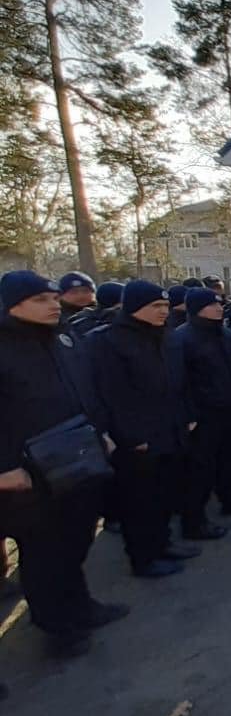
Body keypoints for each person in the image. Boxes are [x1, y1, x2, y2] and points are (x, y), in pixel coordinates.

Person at [0, 271, 128, 658]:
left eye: (54, 298)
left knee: (76, 537)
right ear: (11, 305)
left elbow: (85, 391)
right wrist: (4, 467)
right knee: (44, 549)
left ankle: (81, 605)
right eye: (40, 300)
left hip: (77, 456)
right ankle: (56, 625)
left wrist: (101, 432)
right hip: (29, 471)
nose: (53, 305)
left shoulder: (63, 338)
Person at [93, 281, 199, 577]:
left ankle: (163, 543)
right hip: (138, 437)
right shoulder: (110, 342)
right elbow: (112, 395)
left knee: (165, 493)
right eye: (155, 306)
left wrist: (187, 415)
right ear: (134, 307)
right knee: (139, 500)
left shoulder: (165, 336)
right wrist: (130, 437)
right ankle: (144, 557)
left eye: (165, 305)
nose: (163, 311)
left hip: (170, 427)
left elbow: (180, 382)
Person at [168, 288, 231, 533]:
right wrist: (189, 416)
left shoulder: (226, 333)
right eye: (213, 305)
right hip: (204, 415)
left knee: (230, 460)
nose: (219, 308)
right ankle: (194, 521)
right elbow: (178, 383)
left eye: (220, 304)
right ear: (197, 309)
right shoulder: (182, 339)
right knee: (201, 468)